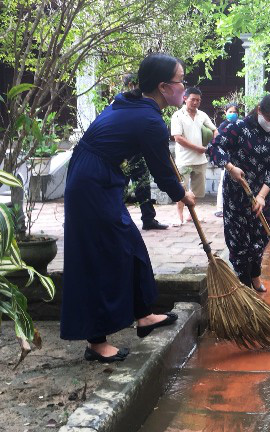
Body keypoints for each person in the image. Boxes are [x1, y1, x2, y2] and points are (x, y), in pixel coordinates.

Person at [61, 54, 197, 363]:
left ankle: (143, 314)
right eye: (181, 81)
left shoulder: (135, 105)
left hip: (99, 177)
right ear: (164, 87)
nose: (184, 87)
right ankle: (96, 343)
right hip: (90, 184)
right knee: (99, 255)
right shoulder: (149, 119)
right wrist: (182, 195)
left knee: (130, 245)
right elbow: (163, 172)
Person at [207, 94, 270, 292]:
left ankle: (255, 276)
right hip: (237, 193)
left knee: (259, 238)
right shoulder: (237, 128)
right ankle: (244, 285)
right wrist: (230, 167)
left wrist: (261, 196)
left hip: (262, 194)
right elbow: (214, 148)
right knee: (239, 241)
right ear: (260, 111)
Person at [121, 74, 169, 230]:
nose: (134, 87)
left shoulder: (144, 104)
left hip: (138, 153)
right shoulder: (122, 103)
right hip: (123, 156)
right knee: (120, 188)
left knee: (143, 187)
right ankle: (116, 218)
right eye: (132, 84)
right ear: (128, 86)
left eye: (136, 84)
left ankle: (148, 219)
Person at [171, 87, 217, 225]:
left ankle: (191, 214)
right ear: (185, 98)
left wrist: (215, 143)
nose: (196, 102)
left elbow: (215, 130)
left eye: (198, 100)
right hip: (184, 160)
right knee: (181, 191)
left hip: (200, 160)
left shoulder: (202, 115)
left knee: (196, 191)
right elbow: (177, 138)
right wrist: (198, 148)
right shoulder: (177, 115)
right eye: (193, 99)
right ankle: (179, 216)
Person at [214, 103, 240, 218]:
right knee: (223, 182)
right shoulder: (223, 126)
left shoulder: (240, 124)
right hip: (227, 160)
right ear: (225, 112)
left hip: (238, 160)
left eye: (235, 112)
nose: (233, 114)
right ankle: (220, 208)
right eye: (230, 112)